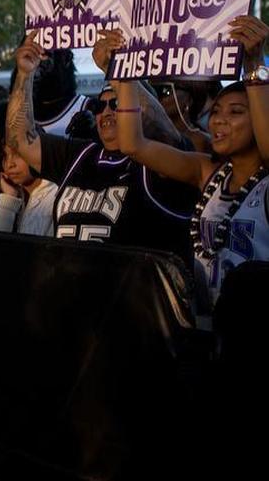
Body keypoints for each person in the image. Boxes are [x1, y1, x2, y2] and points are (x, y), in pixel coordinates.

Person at [110, 17, 269, 323]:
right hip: (205, 330)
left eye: (236, 112)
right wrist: (125, 75)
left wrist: (254, 67)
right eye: (217, 111)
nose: (218, 121)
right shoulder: (206, 171)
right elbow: (133, 145)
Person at [5, 30, 198, 261]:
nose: (106, 112)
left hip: (134, 294)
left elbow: (160, 127)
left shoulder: (162, 161)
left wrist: (116, 70)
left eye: (116, 103)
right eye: (99, 105)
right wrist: (25, 74)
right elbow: (19, 139)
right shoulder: (79, 154)